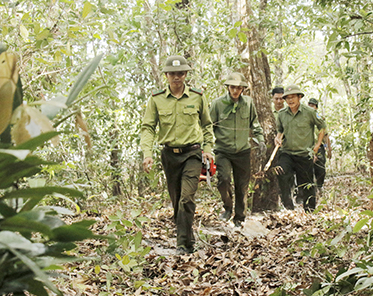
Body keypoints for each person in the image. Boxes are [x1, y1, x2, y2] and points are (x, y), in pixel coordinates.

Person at [140, 55, 214, 255]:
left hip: (192, 153)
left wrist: (207, 149)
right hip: (169, 156)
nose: (177, 77)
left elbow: (207, 126)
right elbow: (147, 127)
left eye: (181, 73)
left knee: (186, 198)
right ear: (166, 75)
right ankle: (187, 237)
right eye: (173, 73)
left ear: (186, 75)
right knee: (176, 201)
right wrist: (147, 153)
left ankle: (182, 244)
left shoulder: (197, 97)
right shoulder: (156, 99)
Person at [209, 73, 265, 227]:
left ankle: (239, 217)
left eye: (238, 88)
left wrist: (260, 140)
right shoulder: (217, 104)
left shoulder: (248, 103)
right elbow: (208, 127)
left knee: (242, 185)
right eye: (233, 87)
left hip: (242, 150)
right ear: (228, 87)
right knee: (224, 180)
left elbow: (255, 123)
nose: (235, 90)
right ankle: (227, 207)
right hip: (223, 150)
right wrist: (205, 147)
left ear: (242, 89)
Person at [275, 84, 326, 213]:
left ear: (299, 97)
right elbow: (280, 130)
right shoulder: (281, 114)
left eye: (293, 97)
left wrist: (317, 145)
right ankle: (288, 208)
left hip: (304, 154)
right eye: (287, 98)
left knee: (306, 184)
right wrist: (278, 137)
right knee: (281, 173)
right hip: (286, 153)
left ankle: (309, 211)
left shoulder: (310, 112)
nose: (290, 100)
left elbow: (322, 127)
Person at [307, 98, 332, 192]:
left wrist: (329, 148)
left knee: (320, 169)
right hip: (307, 147)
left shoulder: (319, 119)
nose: (311, 107)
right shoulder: (303, 118)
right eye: (309, 105)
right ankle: (308, 189)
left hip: (319, 147)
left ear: (316, 108)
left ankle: (319, 186)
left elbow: (325, 134)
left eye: (313, 105)